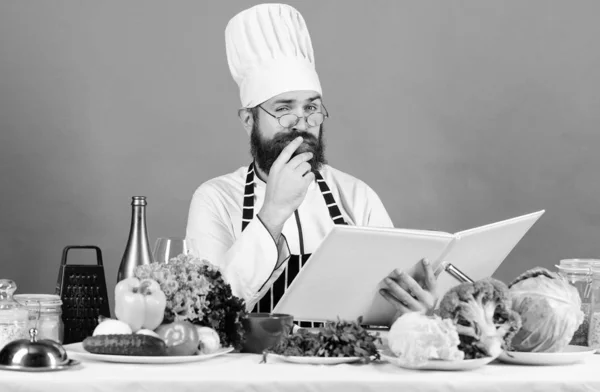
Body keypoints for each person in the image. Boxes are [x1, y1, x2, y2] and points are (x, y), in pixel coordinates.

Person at [185, 3, 437, 325]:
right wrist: (273, 212)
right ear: (249, 120)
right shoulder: (215, 199)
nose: (301, 124)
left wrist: (416, 308)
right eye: (284, 109)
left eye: (311, 109)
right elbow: (209, 312)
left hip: (344, 369)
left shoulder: (356, 196)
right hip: (252, 369)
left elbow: (387, 307)